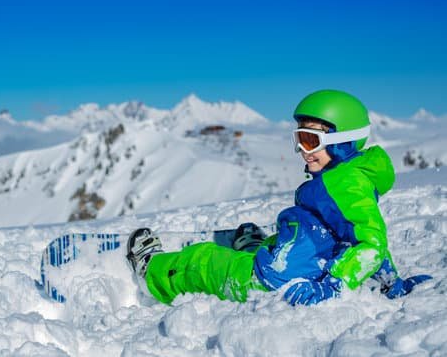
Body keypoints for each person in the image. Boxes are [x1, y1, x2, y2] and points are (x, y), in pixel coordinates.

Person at [126, 90, 432, 306]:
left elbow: (372, 243)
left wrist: (335, 286)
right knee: (289, 236)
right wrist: (388, 282)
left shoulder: (344, 183)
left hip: (278, 280)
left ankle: (152, 271)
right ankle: (256, 250)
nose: (302, 149)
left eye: (310, 140)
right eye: (299, 138)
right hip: (299, 258)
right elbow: (356, 232)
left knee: (203, 262)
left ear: (340, 142)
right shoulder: (347, 175)